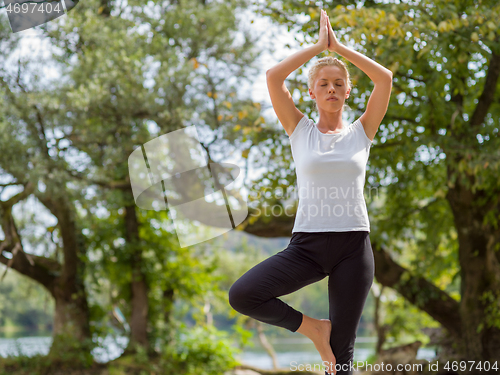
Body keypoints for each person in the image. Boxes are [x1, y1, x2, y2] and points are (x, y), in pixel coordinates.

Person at [228, 9, 392, 375]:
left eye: (338, 83)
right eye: (324, 83)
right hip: (307, 247)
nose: (331, 89)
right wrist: (318, 46)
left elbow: (384, 79)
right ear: (311, 92)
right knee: (243, 294)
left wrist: (341, 49)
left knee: (342, 359)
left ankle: (329, 340)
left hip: (353, 248)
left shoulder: (362, 132)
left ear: (348, 91)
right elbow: (273, 77)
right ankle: (314, 328)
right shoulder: (299, 130)